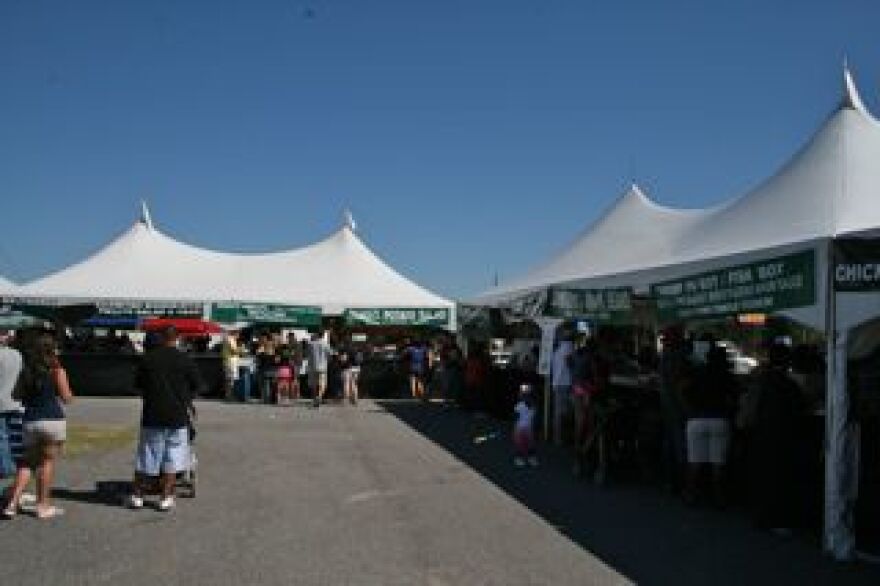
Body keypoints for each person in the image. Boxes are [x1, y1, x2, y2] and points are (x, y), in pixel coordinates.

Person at [128, 326, 204, 512]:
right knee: (173, 458)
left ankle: (137, 495)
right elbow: (199, 385)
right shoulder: (185, 360)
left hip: (152, 414)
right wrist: (186, 397)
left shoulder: (148, 359)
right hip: (177, 415)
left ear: (162, 338)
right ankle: (166, 497)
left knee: (146, 455)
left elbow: (137, 386)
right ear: (177, 338)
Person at [3, 333, 74, 520]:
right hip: (52, 419)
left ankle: (12, 503)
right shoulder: (58, 371)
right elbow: (67, 398)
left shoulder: (26, 371)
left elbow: (16, 396)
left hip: (30, 420)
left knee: (26, 463)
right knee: (46, 463)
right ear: (52, 350)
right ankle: (42, 506)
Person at [682, 343, 738, 506]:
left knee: (694, 461)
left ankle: (691, 494)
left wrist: (688, 410)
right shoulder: (727, 376)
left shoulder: (698, 373)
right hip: (719, 419)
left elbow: (683, 389)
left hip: (696, 419)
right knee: (718, 463)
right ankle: (719, 498)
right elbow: (734, 398)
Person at [0, 332, 24, 492]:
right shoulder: (17, 354)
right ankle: (15, 467)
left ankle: (7, 470)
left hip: (1, 403)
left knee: (2, 438)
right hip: (16, 402)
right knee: (15, 439)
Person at [550, 337, 574, 446]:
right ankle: (559, 438)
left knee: (559, 411)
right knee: (562, 412)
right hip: (564, 382)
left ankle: (558, 437)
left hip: (558, 382)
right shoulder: (568, 346)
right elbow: (569, 363)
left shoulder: (558, 347)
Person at [513, 384, 538, 467]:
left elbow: (534, 418)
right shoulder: (519, 406)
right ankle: (519, 458)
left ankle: (531, 457)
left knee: (530, 443)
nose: (526, 397)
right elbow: (516, 417)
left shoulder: (533, 407)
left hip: (528, 428)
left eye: (528, 395)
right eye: (524, 395)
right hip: (519, 428)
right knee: (520, 444)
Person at [307, 332, 332, 408]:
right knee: (323, 383)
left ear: (317, 335)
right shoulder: (326, 344)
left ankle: (315, 398)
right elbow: (329, 355)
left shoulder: (311, 344)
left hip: (312, 366)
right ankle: (319, 396)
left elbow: (308, 355)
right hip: (323, 366)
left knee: (313, 384)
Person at [220, 331, 240, 401]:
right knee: (231, 379)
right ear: (235, 334)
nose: (239, 336)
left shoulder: (226, 339)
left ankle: (227, 395)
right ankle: (229, 395)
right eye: (238, 334)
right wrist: (241, 350)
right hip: (230, 361)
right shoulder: (230, 340)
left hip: (227, 360)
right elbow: (234, 351)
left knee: (228, 379)